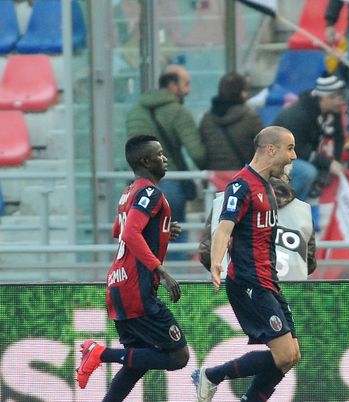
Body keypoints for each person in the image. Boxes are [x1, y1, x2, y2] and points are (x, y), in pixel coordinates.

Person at [76, 135, 189, 401]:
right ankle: (99, 353)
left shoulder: (130, 191)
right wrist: (160, 270)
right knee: (177, 356)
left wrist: (161, 230)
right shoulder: (150, 192)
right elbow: (129, 233)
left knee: (137, 362)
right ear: (146, 161)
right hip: (136, 287)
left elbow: (120, 228)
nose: (165, 158)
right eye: (159, 154)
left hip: (119, 283)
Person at [193, 126, 300, 402]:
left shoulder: (266, 186)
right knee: (284, 354)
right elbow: (224, 228)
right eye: (290, 148)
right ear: (271, 149)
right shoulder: (241, 186)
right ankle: (210, 375)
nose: (294, 156)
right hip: (249, 282)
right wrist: (216, 263)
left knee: (291, 357)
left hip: (268, 282)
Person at [126, 64, 207, 255]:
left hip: (138, 185)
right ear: (172, 85)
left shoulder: (135, 111)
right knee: (175, 237)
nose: (188, 90)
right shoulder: (178, 112)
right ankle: (175, 280)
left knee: (145, 236)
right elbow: (198, 154)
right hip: (171, 183)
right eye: (186, 84)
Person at [198, 176, 317, 281]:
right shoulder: (302, 210)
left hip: (234, 294)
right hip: (292, 296)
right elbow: (309, 263)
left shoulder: (225, 202)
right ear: (286, 175)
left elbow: (206, 254)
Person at [273, 75, 346, 200]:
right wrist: (327, 164)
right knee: (307, 172)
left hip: (298, 154)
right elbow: (299, 150)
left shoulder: (332, 112)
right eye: (339, 98)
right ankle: (286, 203)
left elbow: (338, 138)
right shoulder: (299, 115)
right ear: (325, 98)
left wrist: (336, 162)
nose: (342, 102)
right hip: (278, 156)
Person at [199, 72, 264, 170]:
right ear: (242, 93)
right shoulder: (251, 118)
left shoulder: (207, 119)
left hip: (214, 180)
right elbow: (264, 147)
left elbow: (201, 151)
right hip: (242, 178)